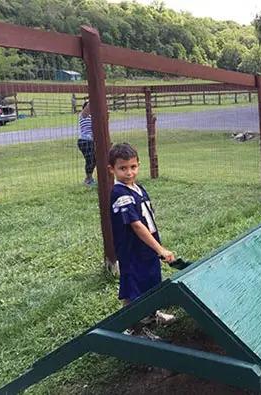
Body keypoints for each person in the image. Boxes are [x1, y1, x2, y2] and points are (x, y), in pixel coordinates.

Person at [108, 142, 176, 333]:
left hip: (147, 248)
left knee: (152, 281)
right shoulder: (120, 193)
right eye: (122, 168)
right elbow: (136, 225)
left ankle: (152, 313)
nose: (129, 173)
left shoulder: (138, 189)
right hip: (132, 251)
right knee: (132, 287)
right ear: (111, 169)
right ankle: (128, 326)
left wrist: (156, 247)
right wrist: (160, 249)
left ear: (138, 164)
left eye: (133, 167)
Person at [77, 101, 96, 186]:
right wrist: (93, 99)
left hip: (92, 141)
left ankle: (90, 178)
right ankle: (88, 179)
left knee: (94, 160)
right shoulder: (83, 116)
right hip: (85, 141)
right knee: (90, 161)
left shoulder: (93, 117)